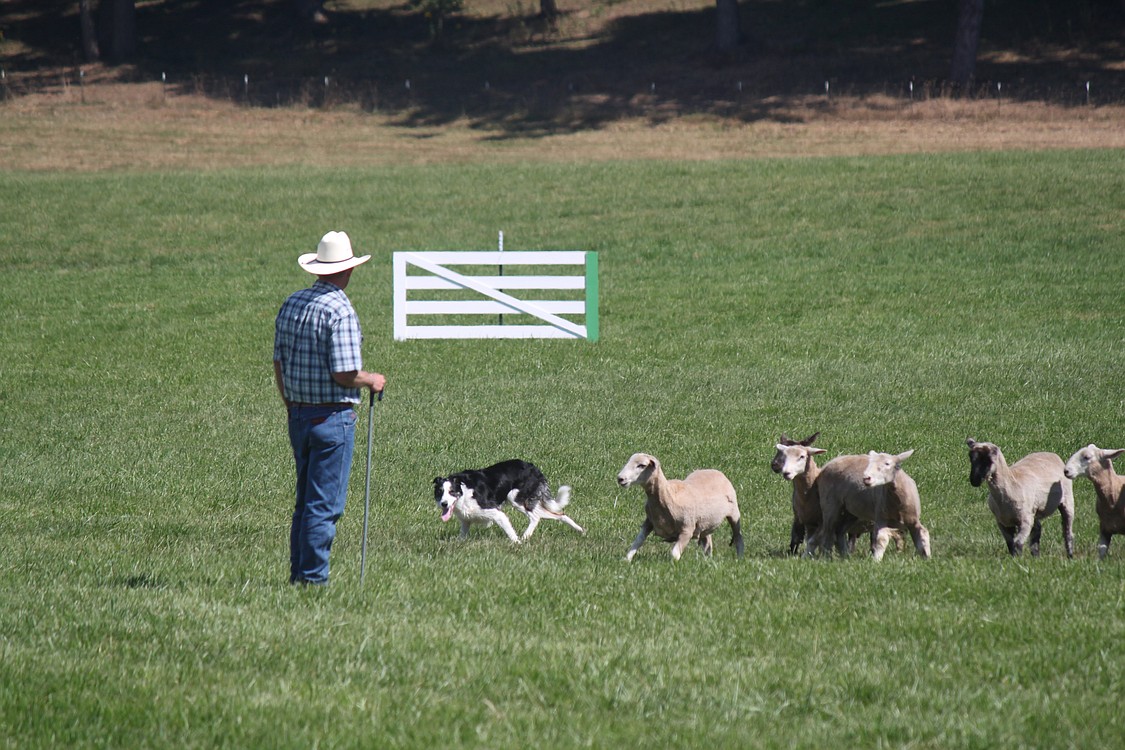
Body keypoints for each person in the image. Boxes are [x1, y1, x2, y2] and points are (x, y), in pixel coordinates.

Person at [273, 230, 386, 586]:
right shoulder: (341, 310)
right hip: (332, 418)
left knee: (305, 503)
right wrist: (371, 380)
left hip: (298, 413)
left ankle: (298, 576)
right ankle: (313, 581)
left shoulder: (292, 302)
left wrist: (290, 402)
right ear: (348, 270)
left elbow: (278, 361)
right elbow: (344, 373)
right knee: (324, 507)